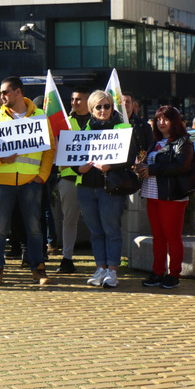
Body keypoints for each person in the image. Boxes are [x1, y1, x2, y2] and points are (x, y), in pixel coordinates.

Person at [0, 76, 56, 286]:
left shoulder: (39, 116)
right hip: (2, 181)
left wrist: (41, 176)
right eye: (1, 93)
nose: (2, 96)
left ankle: (38, 268)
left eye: (6, 92)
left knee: (34, 228)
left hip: (30, 183)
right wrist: (0, 158)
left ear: (19, 92)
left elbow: (50, 149)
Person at [72, 91, 138, 289]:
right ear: (91, 110)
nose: (102, 110)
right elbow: (74, 156)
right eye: (98, 107)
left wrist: (111, 166)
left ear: (112, 107)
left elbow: (130, 157)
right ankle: (100, 268)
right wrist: (78, 168)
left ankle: (112, 270)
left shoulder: (123, 128)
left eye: (106, 106)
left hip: (110, 188)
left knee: (111, 230)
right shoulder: (83, 130)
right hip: (86, 187)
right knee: (95, 231)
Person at [135, 106, 195, 290]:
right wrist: (139, 166)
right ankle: (158, 271)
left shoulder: (183, 141)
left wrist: (151, 170)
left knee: (172, 237)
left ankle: (174, 274)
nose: (161, 123)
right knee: (158, 237)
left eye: (166, 119)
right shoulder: (154, 142)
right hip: (152, 194)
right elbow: (144, 160)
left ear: (174, 121)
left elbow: (181, 166)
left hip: (172, 197)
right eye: (158, 119)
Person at [54, 86, 92, 274]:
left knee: (97, 221)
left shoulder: (98, 122)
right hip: (69, 178)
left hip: (93, 179)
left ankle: (102, 261)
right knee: (69, 220)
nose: (74, 103)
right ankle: (67, 258)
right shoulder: (64, 123)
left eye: (79, 99)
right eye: (72, 99)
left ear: (88, 101)